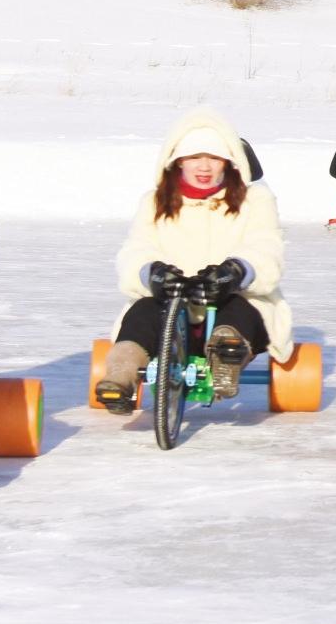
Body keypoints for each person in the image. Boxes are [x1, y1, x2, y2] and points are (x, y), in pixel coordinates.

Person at [96, 108, 288, 412]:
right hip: (171, 303)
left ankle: (227, 357)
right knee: (143, 313)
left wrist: (237, 271)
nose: (204, 166)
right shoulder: (154, 201)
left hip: (231, 299)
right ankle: (121, 374)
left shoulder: (255, 201)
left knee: (239, 311)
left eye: (214, 157)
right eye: (194, 157)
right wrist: (152, 274)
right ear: (178, 161)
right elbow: (135, 249)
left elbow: (266, 246)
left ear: (229, 160)